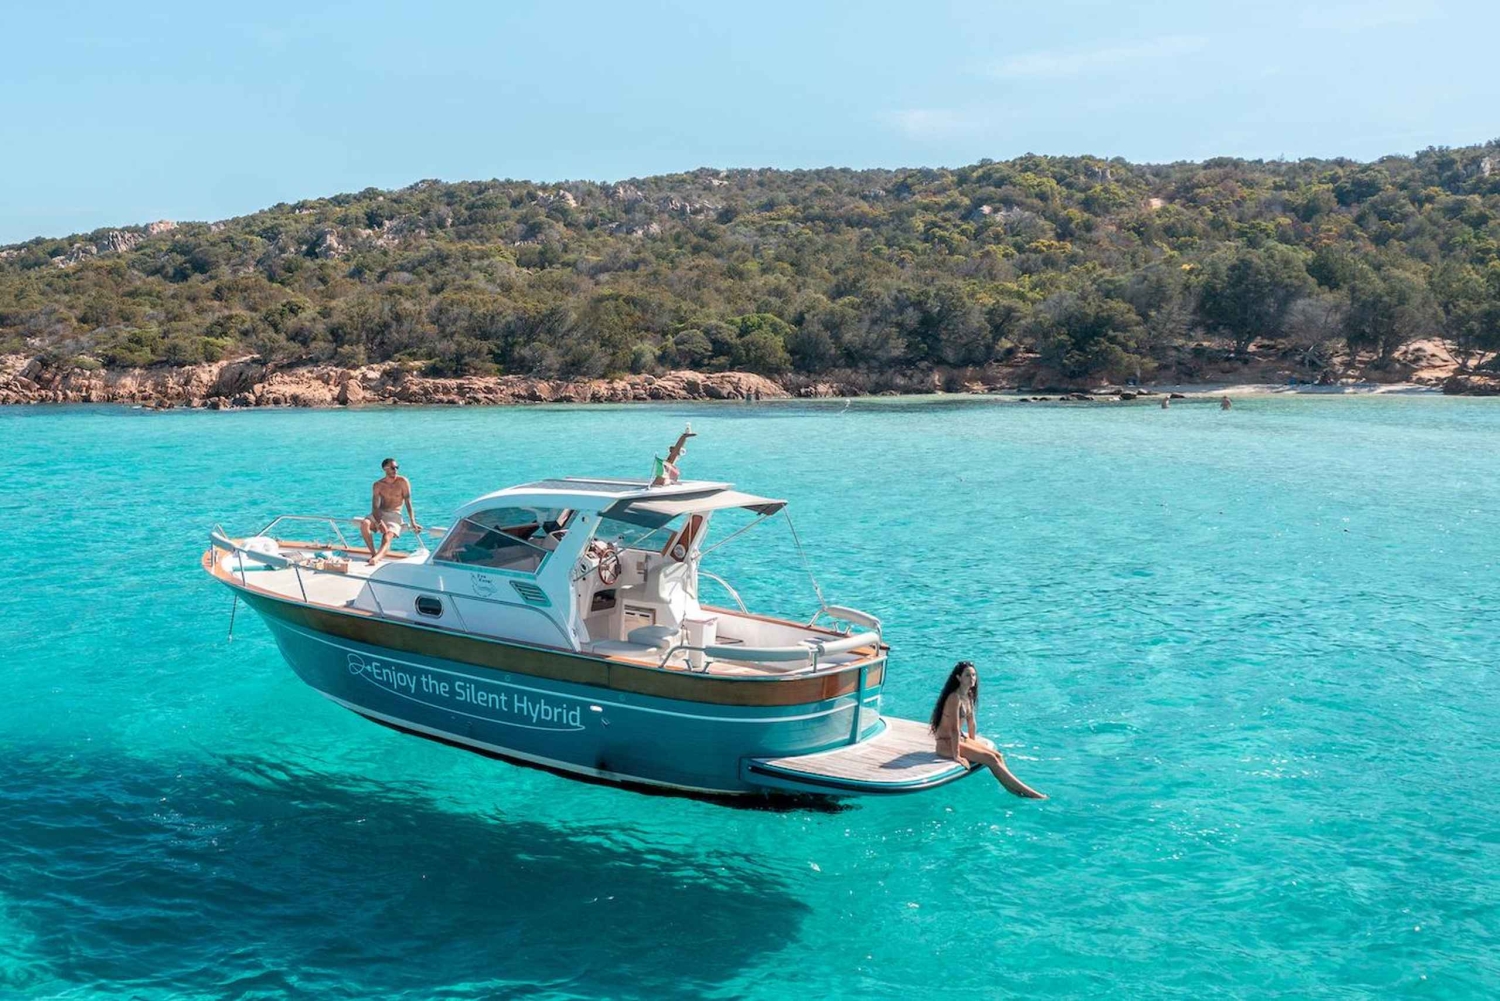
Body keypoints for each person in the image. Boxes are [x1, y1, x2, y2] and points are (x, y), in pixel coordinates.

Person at [930, 661, 1046, 799]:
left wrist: (972, 745)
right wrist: (957, 756)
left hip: (959, 739)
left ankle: (1014, 790)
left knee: (998, 756)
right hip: (945, 743)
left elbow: (972, 723)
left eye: (974, 675)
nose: (972, 678)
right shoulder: (954, 697)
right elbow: (954, 729)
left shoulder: (968, 695)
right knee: (990, 758)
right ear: (958, 678)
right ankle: (1029, 793)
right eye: (967, 675)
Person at [359, 458, 420, 565]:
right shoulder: (378, 485)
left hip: (395, 515)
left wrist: (413, 521)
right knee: (365, 524)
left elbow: (408, 502)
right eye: (392, 468)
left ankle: (376, 559)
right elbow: (375, 507)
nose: (395, 470)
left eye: (397, 467)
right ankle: (373, 554)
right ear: (385, 469)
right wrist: (379, 522)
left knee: (387, 536)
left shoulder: (403, 482)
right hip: (380, 513)